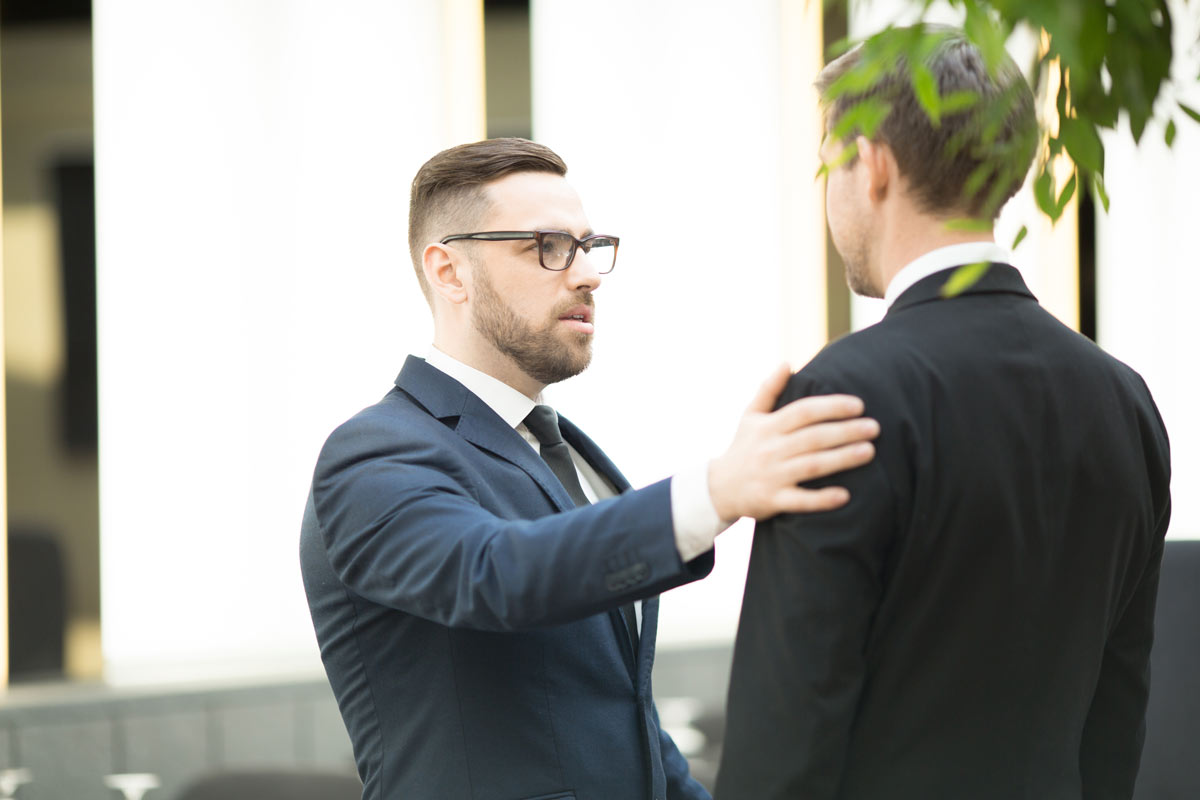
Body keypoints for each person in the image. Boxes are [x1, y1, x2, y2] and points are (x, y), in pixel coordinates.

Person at [299, 138, 880, 800]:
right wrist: (716, 490)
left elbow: (620, 718)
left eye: (587, 247)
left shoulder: (562, 450)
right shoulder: (373, 453)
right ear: (449, 271)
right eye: (546, 247)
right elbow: (494, 575)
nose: (586, 275)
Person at [716, 26, 1172, 800]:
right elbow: (1116, 719)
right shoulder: (1123, 398)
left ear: (873, 163)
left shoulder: (840, 399)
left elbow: (782, 744)